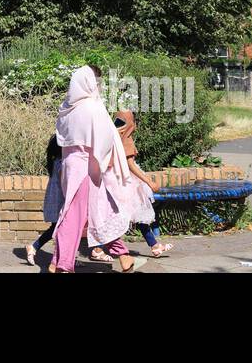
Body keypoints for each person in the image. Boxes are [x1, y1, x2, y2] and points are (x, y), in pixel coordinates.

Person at [49, 66, 146, 274]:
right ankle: (63, 263)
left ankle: (122, 255)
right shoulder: (92, 107)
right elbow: (103, 140)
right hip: (87, 167)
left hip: (71, 165)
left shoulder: (66, 107)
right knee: (77, 215)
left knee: (98, 210)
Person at [113, 110, 172, 257]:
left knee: (135, 214)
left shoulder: (114, 136)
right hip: (128, 182)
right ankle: (99, 248)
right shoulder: (126, 138)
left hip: (116, 179)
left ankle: (154, 245)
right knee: (125, 214)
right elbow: (130, 165)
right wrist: (148, 181)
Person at [25, 135, 63, 265]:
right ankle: (34, 246)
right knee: (58, 229)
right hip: (61, 201)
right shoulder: (62, 163)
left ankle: (64, 257)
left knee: (58, 229)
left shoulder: (54, 162)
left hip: (55, 200)